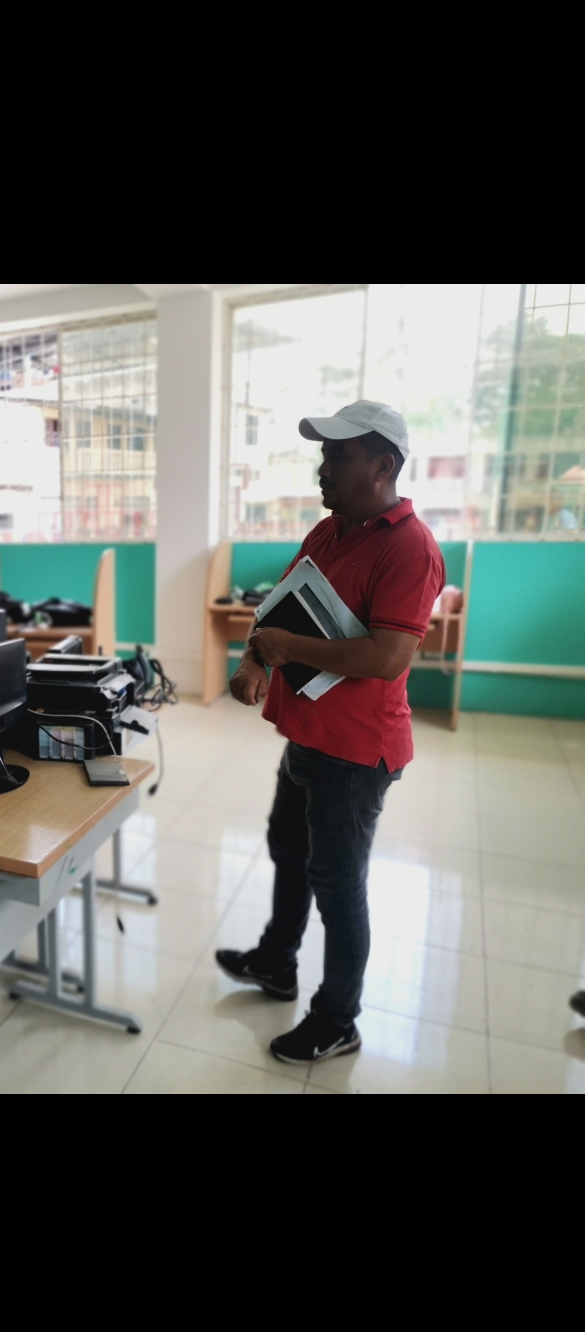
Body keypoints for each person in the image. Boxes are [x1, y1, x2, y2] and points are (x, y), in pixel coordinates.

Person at [222, 402, 446, 1070]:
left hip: (355, 752)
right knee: (288, 849)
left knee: (338, 885)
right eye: (324, 455)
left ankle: (337, 1019)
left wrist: (288, 648)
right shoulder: (328, 532)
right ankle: (277, 962)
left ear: (383, 465)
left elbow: (386, 657)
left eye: (338, 456)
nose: (324, 468)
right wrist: (256, 660)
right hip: (308, 734)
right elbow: (277, 611)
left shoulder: (410, 547)